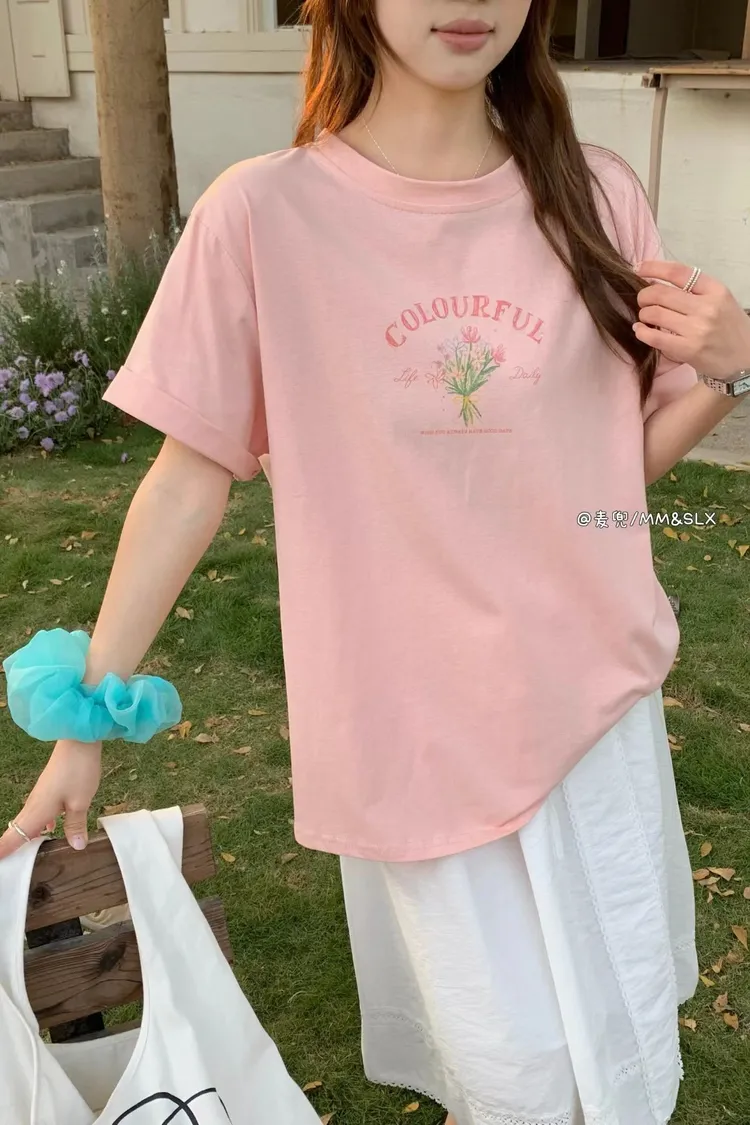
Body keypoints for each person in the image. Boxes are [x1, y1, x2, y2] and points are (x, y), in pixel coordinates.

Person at [3, 1, 750, 1122]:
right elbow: (186, 481)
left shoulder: (596, 195)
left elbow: (607, 467)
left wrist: (733, 371)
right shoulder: (264, 215)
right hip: (414, 723)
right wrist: (85, 720)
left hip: (593, 704)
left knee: (616, 1042)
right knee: (514, 1073)